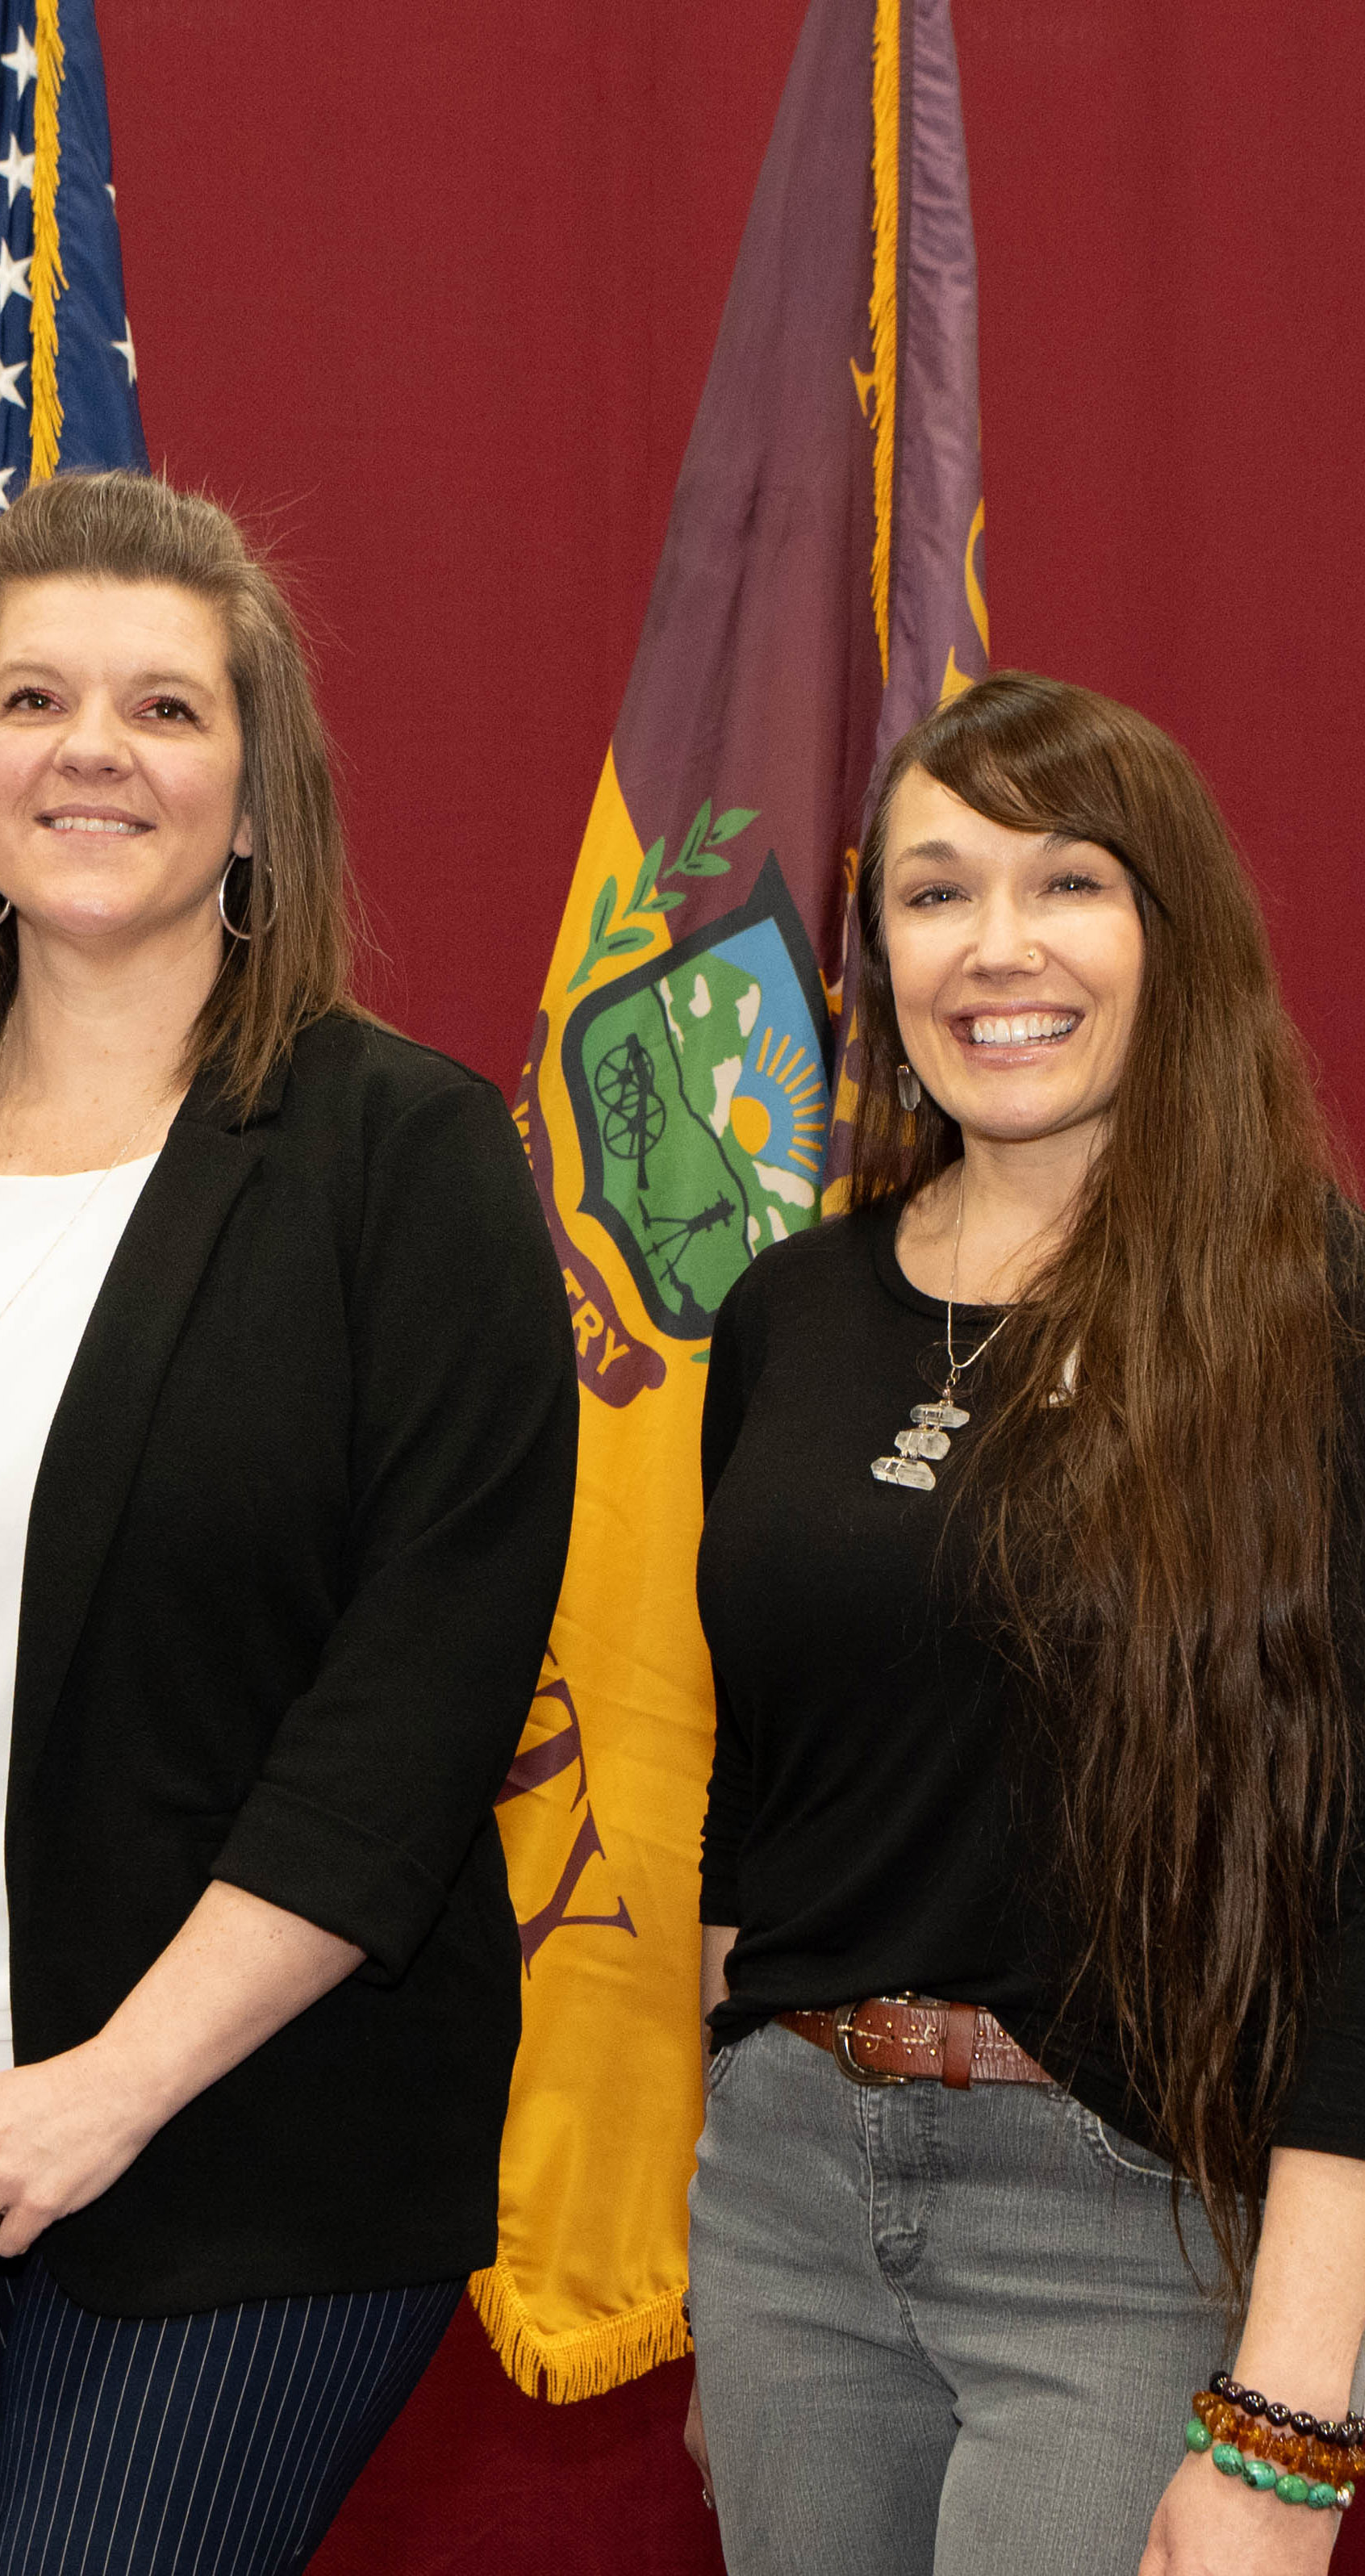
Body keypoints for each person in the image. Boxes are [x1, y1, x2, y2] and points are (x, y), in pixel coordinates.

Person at [0, 470, 577, 2576]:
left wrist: (108, 2089)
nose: (90, 752)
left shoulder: (397, 1160)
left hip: (249, 2157)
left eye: (165, 710)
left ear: (257, 803)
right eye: (35, 698)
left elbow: (412, 1708)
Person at [682, 671, 1365, 2576]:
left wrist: (1290, 2432)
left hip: (1123, 2219)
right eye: (933, 891)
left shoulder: (1314, 1317)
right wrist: (721, 2197)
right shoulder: (788, 1316)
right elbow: (766, 1781)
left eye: (1068, 883)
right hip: (786, 2213)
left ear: (1173, 931)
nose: (998, 947)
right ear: (874, 953)